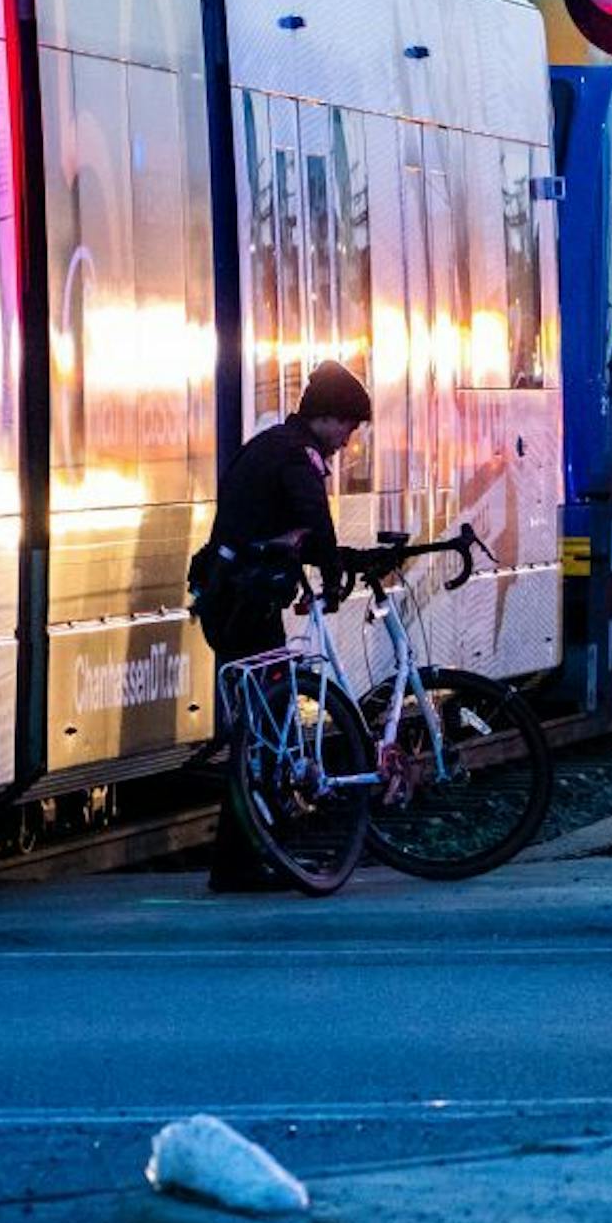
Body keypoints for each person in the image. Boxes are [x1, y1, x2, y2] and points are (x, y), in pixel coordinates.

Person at [198, 361, 373, 893]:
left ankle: (243, 854)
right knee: (263, 733)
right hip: (242, 607)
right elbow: (315, 523)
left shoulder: (269, 444)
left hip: (233, 599)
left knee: (259, 730)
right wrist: (335, 569)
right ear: (326, 418)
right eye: (348, 426)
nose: (349, 440)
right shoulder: (298, 456)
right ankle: (239, 862)